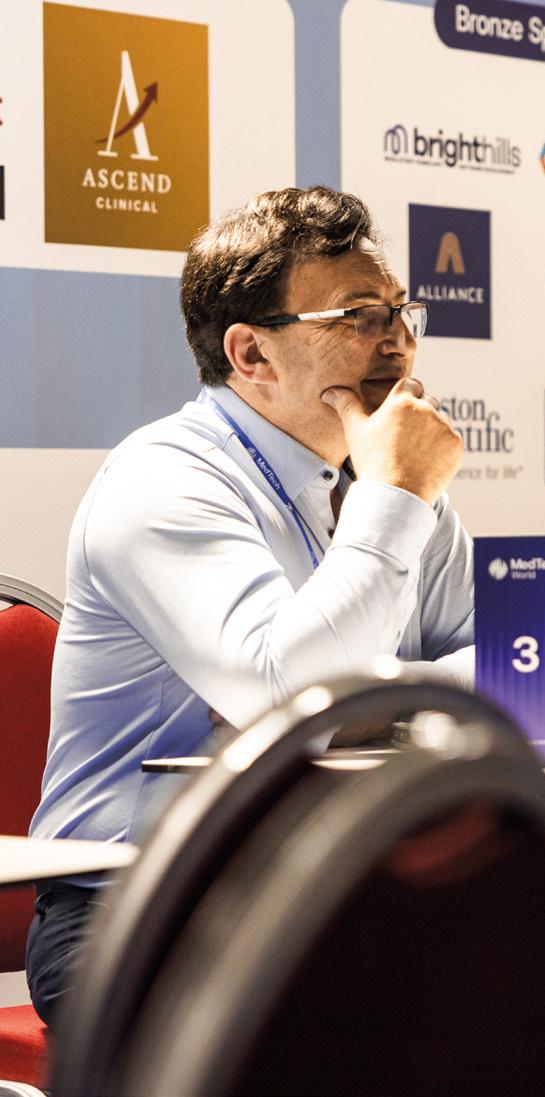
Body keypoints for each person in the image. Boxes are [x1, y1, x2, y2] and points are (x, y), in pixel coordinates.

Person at [27, 186, 473, 1026]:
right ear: (252, 354)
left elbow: (521, 671)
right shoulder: (163, 480)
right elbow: (292, 700)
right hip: (143, 906)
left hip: (327, 891)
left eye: (400, 311)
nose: (398, 340)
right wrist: (396, 504)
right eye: (359, 316)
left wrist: (369, 705)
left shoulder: (394, 486)